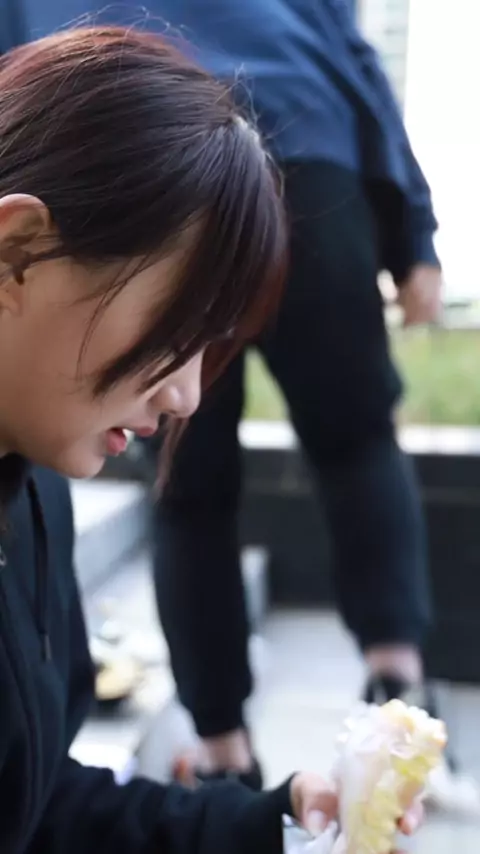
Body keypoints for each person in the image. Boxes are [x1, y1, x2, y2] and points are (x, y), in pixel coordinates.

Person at [0, 25, 426, 853]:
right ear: (17, 254)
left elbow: (36, 802)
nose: (188, 394)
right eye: (176, 328)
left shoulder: (36, 489)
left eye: (212, 343)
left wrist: (274, 821)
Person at [123, 0, 446, 789]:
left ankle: (223, 756)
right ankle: (399, 700)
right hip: (306, 143)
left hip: (145, 158)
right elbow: (356, 58)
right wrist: (413, 233)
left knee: (186, 489)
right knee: (357, 440)